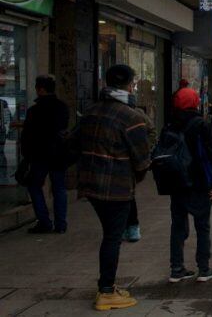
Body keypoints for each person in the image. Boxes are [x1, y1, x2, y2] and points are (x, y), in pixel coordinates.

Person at [76, 65, 151, 311]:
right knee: (112, 238)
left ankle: (107, 286)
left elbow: (73, 144)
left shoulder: (90, 111)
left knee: (111, 235)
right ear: (130, 85)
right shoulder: (132, 116)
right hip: (116, 187)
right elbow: (142, 159)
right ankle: (106, 290)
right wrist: (136, 176)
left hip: (91, 183)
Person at [167, 87, 212, 283]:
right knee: (203, 226)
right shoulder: (201, 124)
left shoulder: (171, 124)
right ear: (195, 102)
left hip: (176, 182)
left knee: (178, 225)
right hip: (199, 182)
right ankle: (204, 269)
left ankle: (176, 268)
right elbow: (211, 156)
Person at [20, 75, 69, 234]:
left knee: (34, 186)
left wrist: (26, 157)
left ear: (40, 89)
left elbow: (27, 136)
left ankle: (44, 221)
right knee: (59, 188)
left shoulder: (34, 110)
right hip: (58, 154)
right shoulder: (62, 107)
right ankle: (61, 224)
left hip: (39, 155)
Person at [123, 106, 156, 243]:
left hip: (128, 161)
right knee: (124, 196)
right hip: (114, 164)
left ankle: (131, 227)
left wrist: (143, 149)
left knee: (127, 195)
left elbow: (151, 132)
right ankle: (126, 227)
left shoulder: (135, 113)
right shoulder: (102, 112)